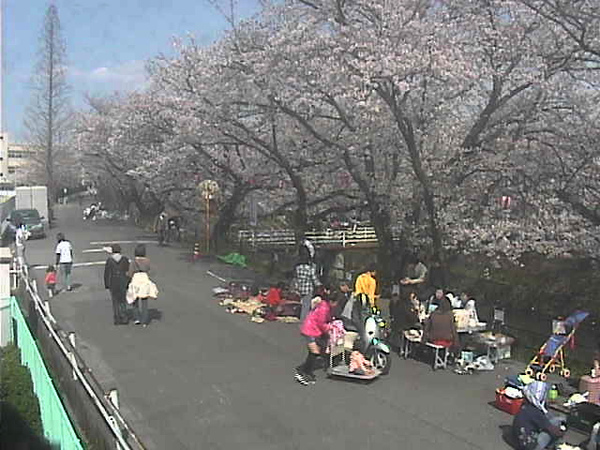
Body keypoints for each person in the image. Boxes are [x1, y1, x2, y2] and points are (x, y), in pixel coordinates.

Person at [294, 290, 340, 385]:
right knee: (315, 352)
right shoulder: (324, 308)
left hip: (312, 329)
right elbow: (321, 323)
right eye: (336, 303)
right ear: (332, 301)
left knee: (314, 351)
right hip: (310, 330)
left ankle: (306, 370)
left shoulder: (324, 305)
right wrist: (330, 328)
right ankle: (303, 373)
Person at [512, 381, 566, 450]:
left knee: (550, 422)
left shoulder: (525, 406)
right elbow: (552, 430)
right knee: (557, 422)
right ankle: (556, 446)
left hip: (518, 439)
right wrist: (561, 432)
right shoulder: (536, 412)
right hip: (530, 445)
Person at [103, 244, 130, 325]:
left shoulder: (110, 260)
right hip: (122, 281)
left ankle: (117, 318)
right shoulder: (125, 259)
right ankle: (124, 317)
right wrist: (128, 282)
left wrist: (106, 284)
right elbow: (128, 271)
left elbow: (107, 273)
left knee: (115, 301)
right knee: (122, 300)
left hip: (113, 282)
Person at [127, 244, 152, 326]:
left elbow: (130, 273)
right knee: (144, 301)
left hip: (136, 279)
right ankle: (144, 320)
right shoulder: (147, 261)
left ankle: (137, 318)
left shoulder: (133, 262)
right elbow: (148, 270)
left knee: (135, 299)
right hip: (144, 279)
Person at [293, 254, 321, 321]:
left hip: (300, 288)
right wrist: (319, 284)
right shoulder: (310, 268)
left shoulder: (298, 268)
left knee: (303, 304)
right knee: (306, 305)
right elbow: (314, 279)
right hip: (308, 289)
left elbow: (296, 278)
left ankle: (302, 318)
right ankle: (304, 320)